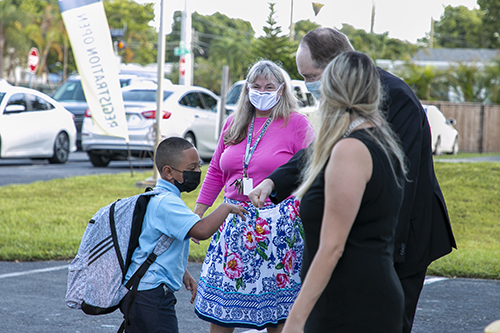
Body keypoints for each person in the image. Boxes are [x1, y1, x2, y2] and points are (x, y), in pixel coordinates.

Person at [249, 27, 456, 333]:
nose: (310, 86)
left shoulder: (392, 98)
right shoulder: (354, 117)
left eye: (311, 76)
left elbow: (402, 183)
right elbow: (320, 150)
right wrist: (275, 181)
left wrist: (387, 256)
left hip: (395, 247)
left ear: (337, 68)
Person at [282, 50, 407, 332]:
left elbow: (332, 247)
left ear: (331, 90)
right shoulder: (383, 142)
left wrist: (296, 318)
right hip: (364, 296)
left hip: (350, 303)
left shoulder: (350, 150)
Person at [193, 60, 315, 332]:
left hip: (278, 229)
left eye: (269, 87)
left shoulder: (296, 123)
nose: (262, 91)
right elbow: (215, 170)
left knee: (278, 315)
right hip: (232, 225)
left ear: (281, 89)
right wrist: (198, 213)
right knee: (223, 312)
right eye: (256, 86)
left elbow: (314, 169)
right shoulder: (234, 122)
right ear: (247, 89)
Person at [120, 137, 247, 333]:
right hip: (151, 296)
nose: (197, 173)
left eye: (198, 166)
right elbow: (201, 230)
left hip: (143, 291)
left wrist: (183, 272)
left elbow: (161, 244)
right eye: (191, 167)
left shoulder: (160, 197)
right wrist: (226, 207)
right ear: (168, 172)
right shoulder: (167, 203)